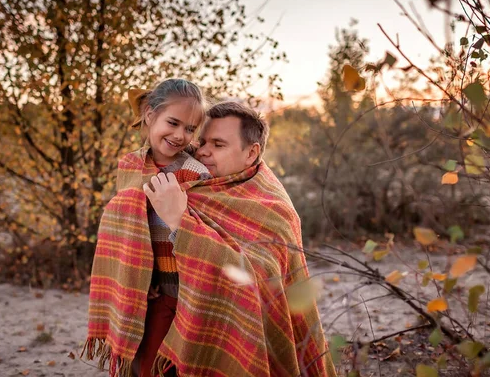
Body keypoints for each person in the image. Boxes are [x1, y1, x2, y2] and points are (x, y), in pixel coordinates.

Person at [144, 101, 337, 376]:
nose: (203, 151)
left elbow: (252, 277)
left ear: (251, 153)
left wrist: (179, 222)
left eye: (218, 145)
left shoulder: (273, 209)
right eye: (203, 142)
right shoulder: (191, 185)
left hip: (235, 329)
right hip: (173, 320)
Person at [83, 78, 211, 377]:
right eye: (173, 122)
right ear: (150, 115)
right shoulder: (129, 166)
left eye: (190, 129)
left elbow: (201, 232)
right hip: (144, 289)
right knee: (139, 363)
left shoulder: (196, 173)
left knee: (169, 365)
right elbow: (126, 228)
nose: (181, 135)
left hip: (184, 291)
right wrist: (138, 277)